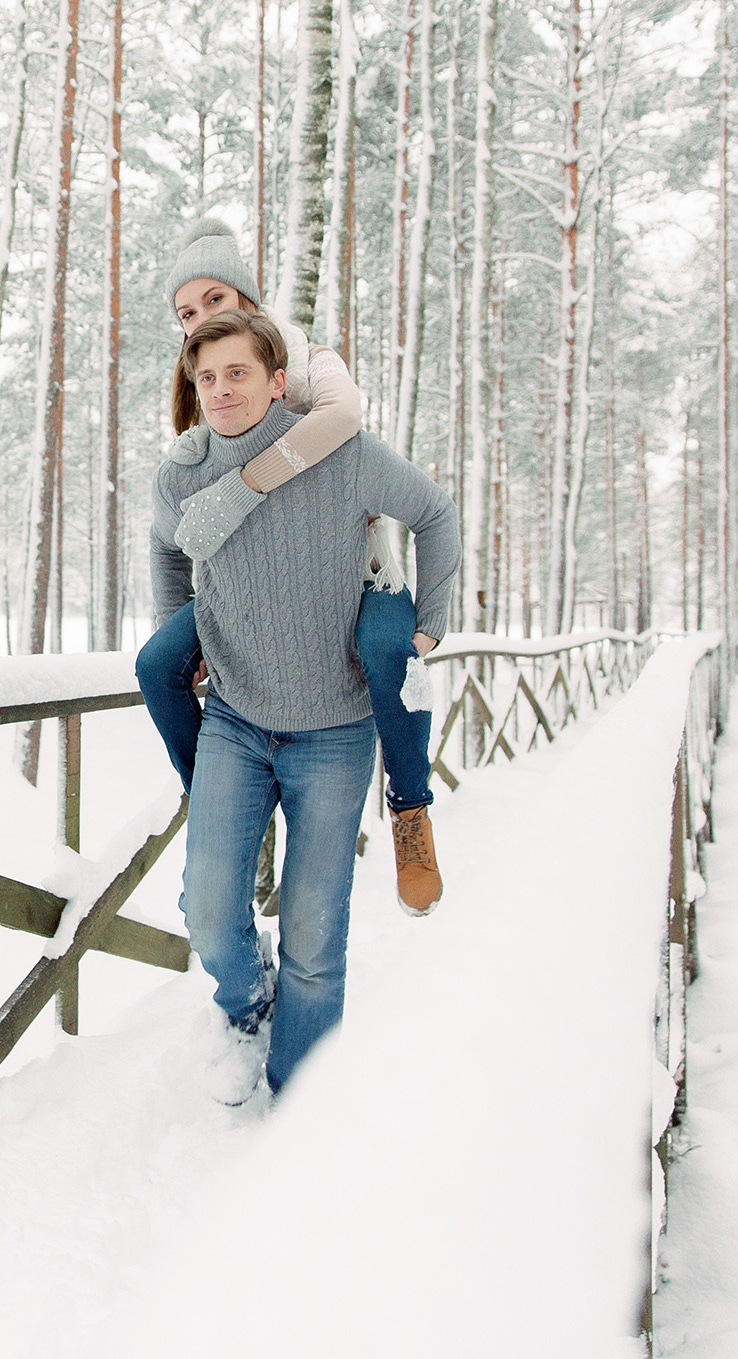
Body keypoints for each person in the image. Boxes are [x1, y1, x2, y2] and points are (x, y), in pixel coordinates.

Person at [152, 310, 460, 1101]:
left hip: (335, 730)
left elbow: (434, 512)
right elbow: (167, 546)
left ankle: (299, 1101)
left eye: (239, 373)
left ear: (277, 381)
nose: (222, 389)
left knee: (316, 940)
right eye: (208, 376)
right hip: (235, 719)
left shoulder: (341, 454)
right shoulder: (181, 474)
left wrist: (430, 624)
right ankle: (249, 1000)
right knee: (210, 910)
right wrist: (172, 634)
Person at [135, 217, 455, 918]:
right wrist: (180, 625)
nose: (200, 320)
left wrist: (245, 484)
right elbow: (180, 507)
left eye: (214, 301)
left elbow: (343, 420)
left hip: (355, 570)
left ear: (247, 297)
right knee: (157, 662)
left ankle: (410, 806)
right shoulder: (203, 378)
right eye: (186, 314)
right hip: (248, 585)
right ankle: (224, 807)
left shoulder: (307, 359)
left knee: (383, 649)